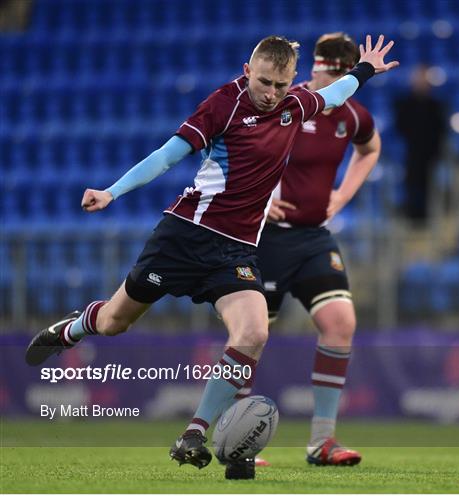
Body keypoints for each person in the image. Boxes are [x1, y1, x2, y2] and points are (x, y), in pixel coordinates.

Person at [25, 34, 398, 475]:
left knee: (254, 333)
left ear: (293, 81)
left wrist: (365, 70)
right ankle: (78, 323)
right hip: (184, 237)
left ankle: (195, 432)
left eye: (281, 85)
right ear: (247, 71)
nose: (271, 94)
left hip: (235, 251)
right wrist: (112, 191)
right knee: (114, 323)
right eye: (264, 83)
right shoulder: (224, 103)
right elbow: (166, 156)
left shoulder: (295, 105)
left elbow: (338, 92)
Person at [236, 32, 379, 467]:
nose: (332, 81)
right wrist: (258, 200)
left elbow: (369, 150)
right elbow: (237, 151)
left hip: (314, 236)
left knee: (340, 323)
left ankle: (322, 442)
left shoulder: (353, 115)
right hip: (267, 238)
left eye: (342, 74)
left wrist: (342, 196)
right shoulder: (286, 105)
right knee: (249, 337)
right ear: (313, 68)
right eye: (326, 71)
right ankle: (235, 434)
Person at [393, 64, 446, 225]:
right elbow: (399, 127)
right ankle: (411, 217)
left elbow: (441, 129)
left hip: (431, 153)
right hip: (410, 152)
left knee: (429, 186)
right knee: (411, 184)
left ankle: (428, 218)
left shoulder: (437, 105)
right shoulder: (403, 103)